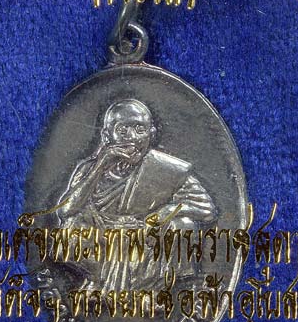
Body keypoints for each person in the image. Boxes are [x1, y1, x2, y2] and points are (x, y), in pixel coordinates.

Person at [55, 99, 216, 293]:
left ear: (151, 134)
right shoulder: (89, 168)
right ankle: (96, 280)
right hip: (101, 239)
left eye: (140, 129)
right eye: (123, 130)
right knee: (72, 225)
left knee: (183, 225)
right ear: (106, 135)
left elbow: (207, 209)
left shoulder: (166, 169)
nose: (132, 138)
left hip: (145, 236)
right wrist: (101, 165)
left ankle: (156, 289)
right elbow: (65, 210)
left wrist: (167, 211)